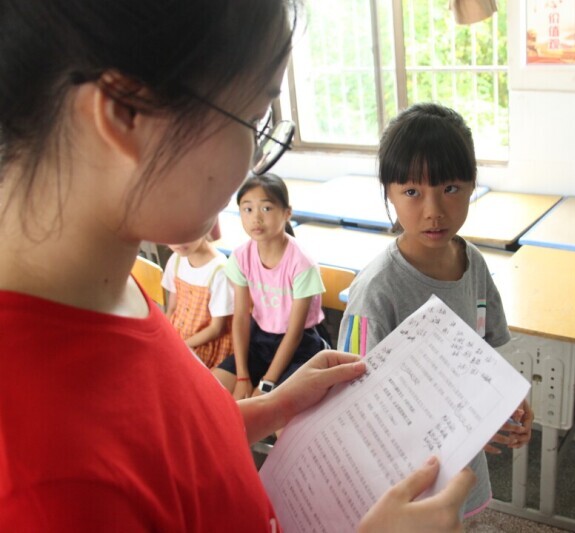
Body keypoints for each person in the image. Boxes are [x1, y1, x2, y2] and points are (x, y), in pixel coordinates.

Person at [0, 1, 476, 530]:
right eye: (251, 118)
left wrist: (274, 407)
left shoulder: (107, 287)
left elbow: (173, 447)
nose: (253, 159)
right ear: (125, 116)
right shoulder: (42, 485)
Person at [338, 102, 534, 518]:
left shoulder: (472, 262)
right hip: (405, 486)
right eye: (412, 192)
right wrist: (469, 421)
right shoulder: (376, 291)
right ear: (389, 193)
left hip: (465, 469)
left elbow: (484, 353)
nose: (433, 211)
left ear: (472, 185)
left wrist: (505, 403)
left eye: (450, 188)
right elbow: (356, 410)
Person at [212, 174, 331, 400]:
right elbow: (241, 317)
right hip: (259, 340)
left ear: (287, 213)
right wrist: (243, 377)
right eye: (247, 209)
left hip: (299, 346)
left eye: (266, 208)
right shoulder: (240, 256)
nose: (256, 218)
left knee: (273, 410)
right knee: (211, 390)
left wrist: (266, 384)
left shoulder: (302, 264)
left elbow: (294, 333)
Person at [162, 235, 234, 369]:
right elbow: (172, 309)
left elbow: (216, 329)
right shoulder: (176, 259)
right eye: (171, 234)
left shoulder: (220, 271)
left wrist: (181, 346)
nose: (178, 241)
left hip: (204, 344)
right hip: (178, 337)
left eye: (186, 233)